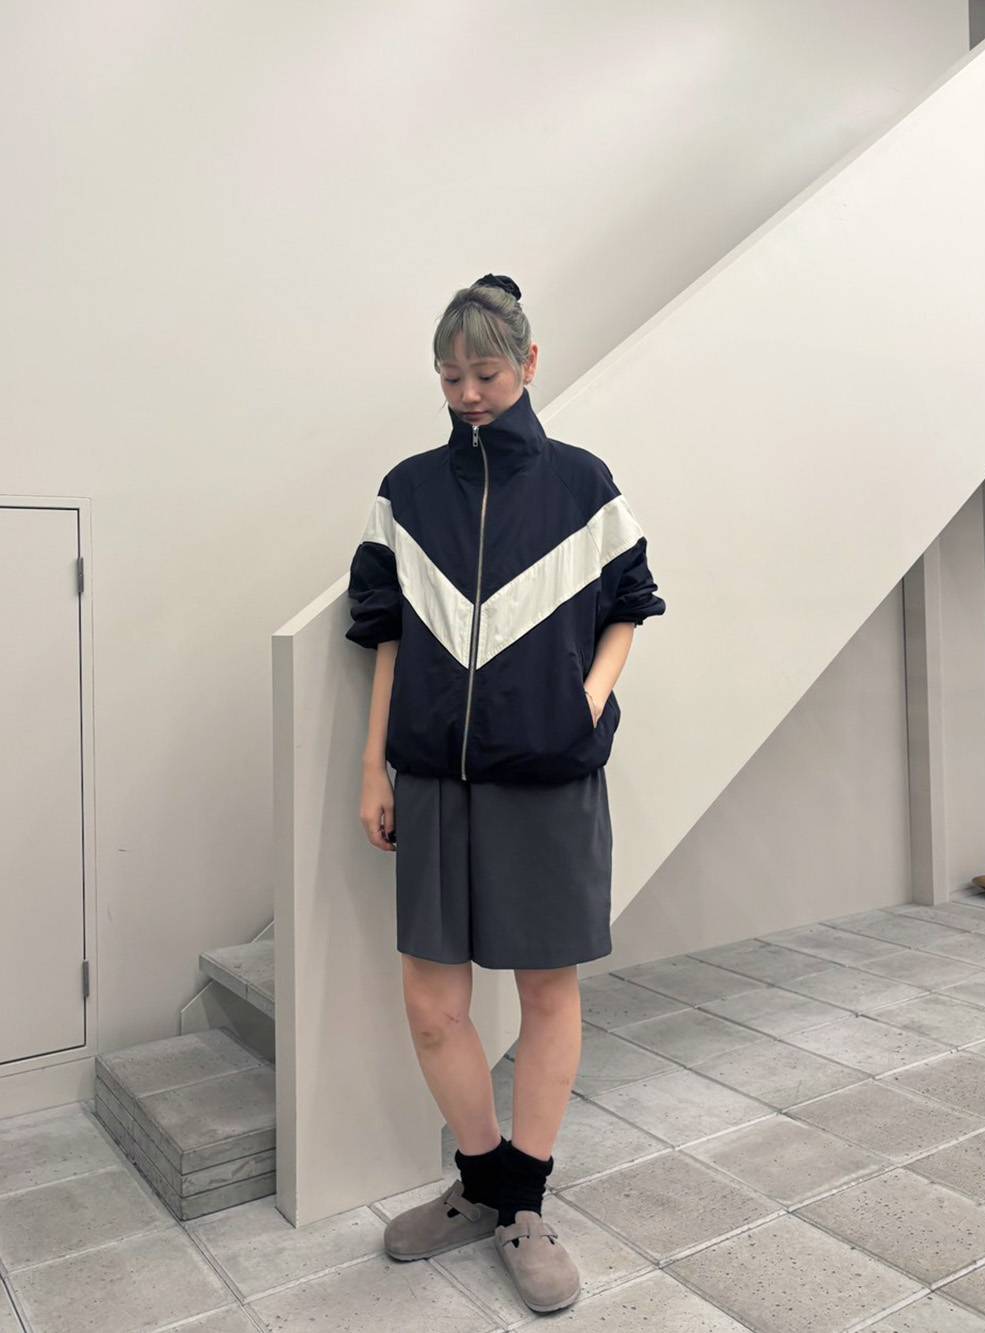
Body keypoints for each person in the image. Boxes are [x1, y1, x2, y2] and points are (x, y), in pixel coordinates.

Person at [344, 273, 666, 1313]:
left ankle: (523, 1201)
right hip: (435, 780)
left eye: (485, 373)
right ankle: (480, 1180)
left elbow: (631, 603)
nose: (468, 394)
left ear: (528, 362)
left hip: (546, 777)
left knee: (545, 991)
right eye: (450, 378)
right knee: (432, 1006)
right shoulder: (407, 493)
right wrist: (373, 763)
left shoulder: (581, 484)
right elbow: (385, 633)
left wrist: (585, 701)